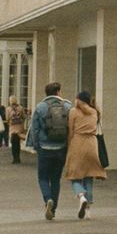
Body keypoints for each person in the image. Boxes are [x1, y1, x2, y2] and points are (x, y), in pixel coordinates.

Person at [30, 81, 71, 220]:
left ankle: (47, 199)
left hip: (44, 148)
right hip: (61, 148)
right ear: (58, 92)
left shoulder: (40, 107)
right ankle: (53, 210)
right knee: (55, 179)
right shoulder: (67, 106)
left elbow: (35, 129)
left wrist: (36, 146)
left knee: (42, 177)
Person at [64, 90, 106, 218]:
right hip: (92, 144)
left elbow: (70, 131)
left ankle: (81, 196)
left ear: (78, 100)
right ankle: (88, 211)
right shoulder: (94, 112)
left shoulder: (73, 112)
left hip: (78, 142)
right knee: (89, 175)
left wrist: (68, 145)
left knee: (74, 175)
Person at [7, 95, 26, 163]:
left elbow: (7, 118)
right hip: (19, 128)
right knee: (18, 143)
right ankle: (18, 157)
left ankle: (14, 158)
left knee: (13, 143)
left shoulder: (8, 109)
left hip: (12, 128)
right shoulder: (21, 108)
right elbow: (24, 116)